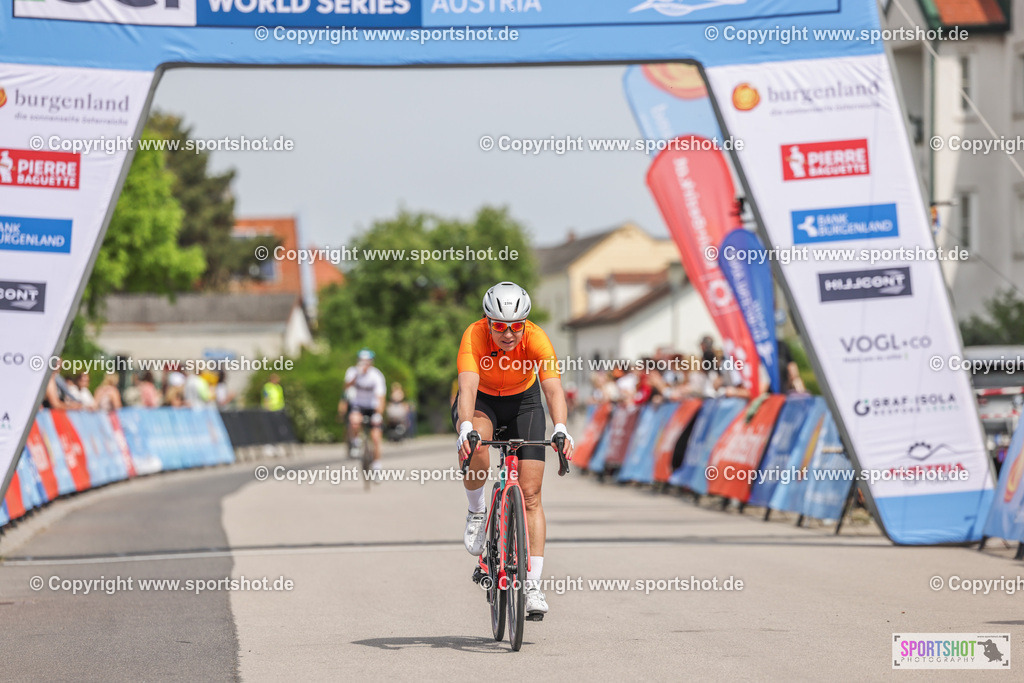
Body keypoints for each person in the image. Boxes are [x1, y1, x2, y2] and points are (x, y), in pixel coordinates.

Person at [454, 281, 576, 619]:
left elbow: (553, 389)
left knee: (532, 493)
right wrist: (466, 428)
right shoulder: (474, 336)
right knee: (477, 446)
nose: (509, 334)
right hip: (483, 401)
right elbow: (467, 387)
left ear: (525, 323)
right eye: (500, 327)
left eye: (516, 326)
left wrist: (562, 429)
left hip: (525, 403)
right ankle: (477, 511)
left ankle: (533, 585)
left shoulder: (537, 338)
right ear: (487, 321)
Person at [339, 349, 386, 472]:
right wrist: (355, 377)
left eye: (367, 362)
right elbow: (346, 388)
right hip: (358, 405)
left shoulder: (376, 375)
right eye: (361, 361)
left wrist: (378, 414)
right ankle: (356, 442)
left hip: (372, 407)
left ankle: (376, 466)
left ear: (371, 363)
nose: (364, 364)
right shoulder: (352, 372)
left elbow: (381, 398)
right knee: (354, 420)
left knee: (376, 438)